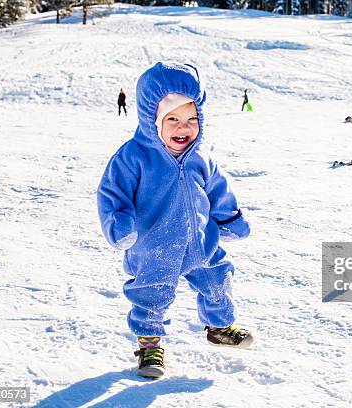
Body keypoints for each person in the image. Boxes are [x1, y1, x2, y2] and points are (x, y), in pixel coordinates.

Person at [97, 62, 253, 379]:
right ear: (152, 119)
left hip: (200, 241)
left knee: (218, 279)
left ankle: (219, 326)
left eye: (191, 119)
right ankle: (150, 345)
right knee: (151, 294)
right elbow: (112, 194)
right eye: (173, 119)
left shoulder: (201, 155)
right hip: (154, 247)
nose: (184, 128)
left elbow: (218, 188)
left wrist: (229, 218)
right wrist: (120, 226)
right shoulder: (133, 156)